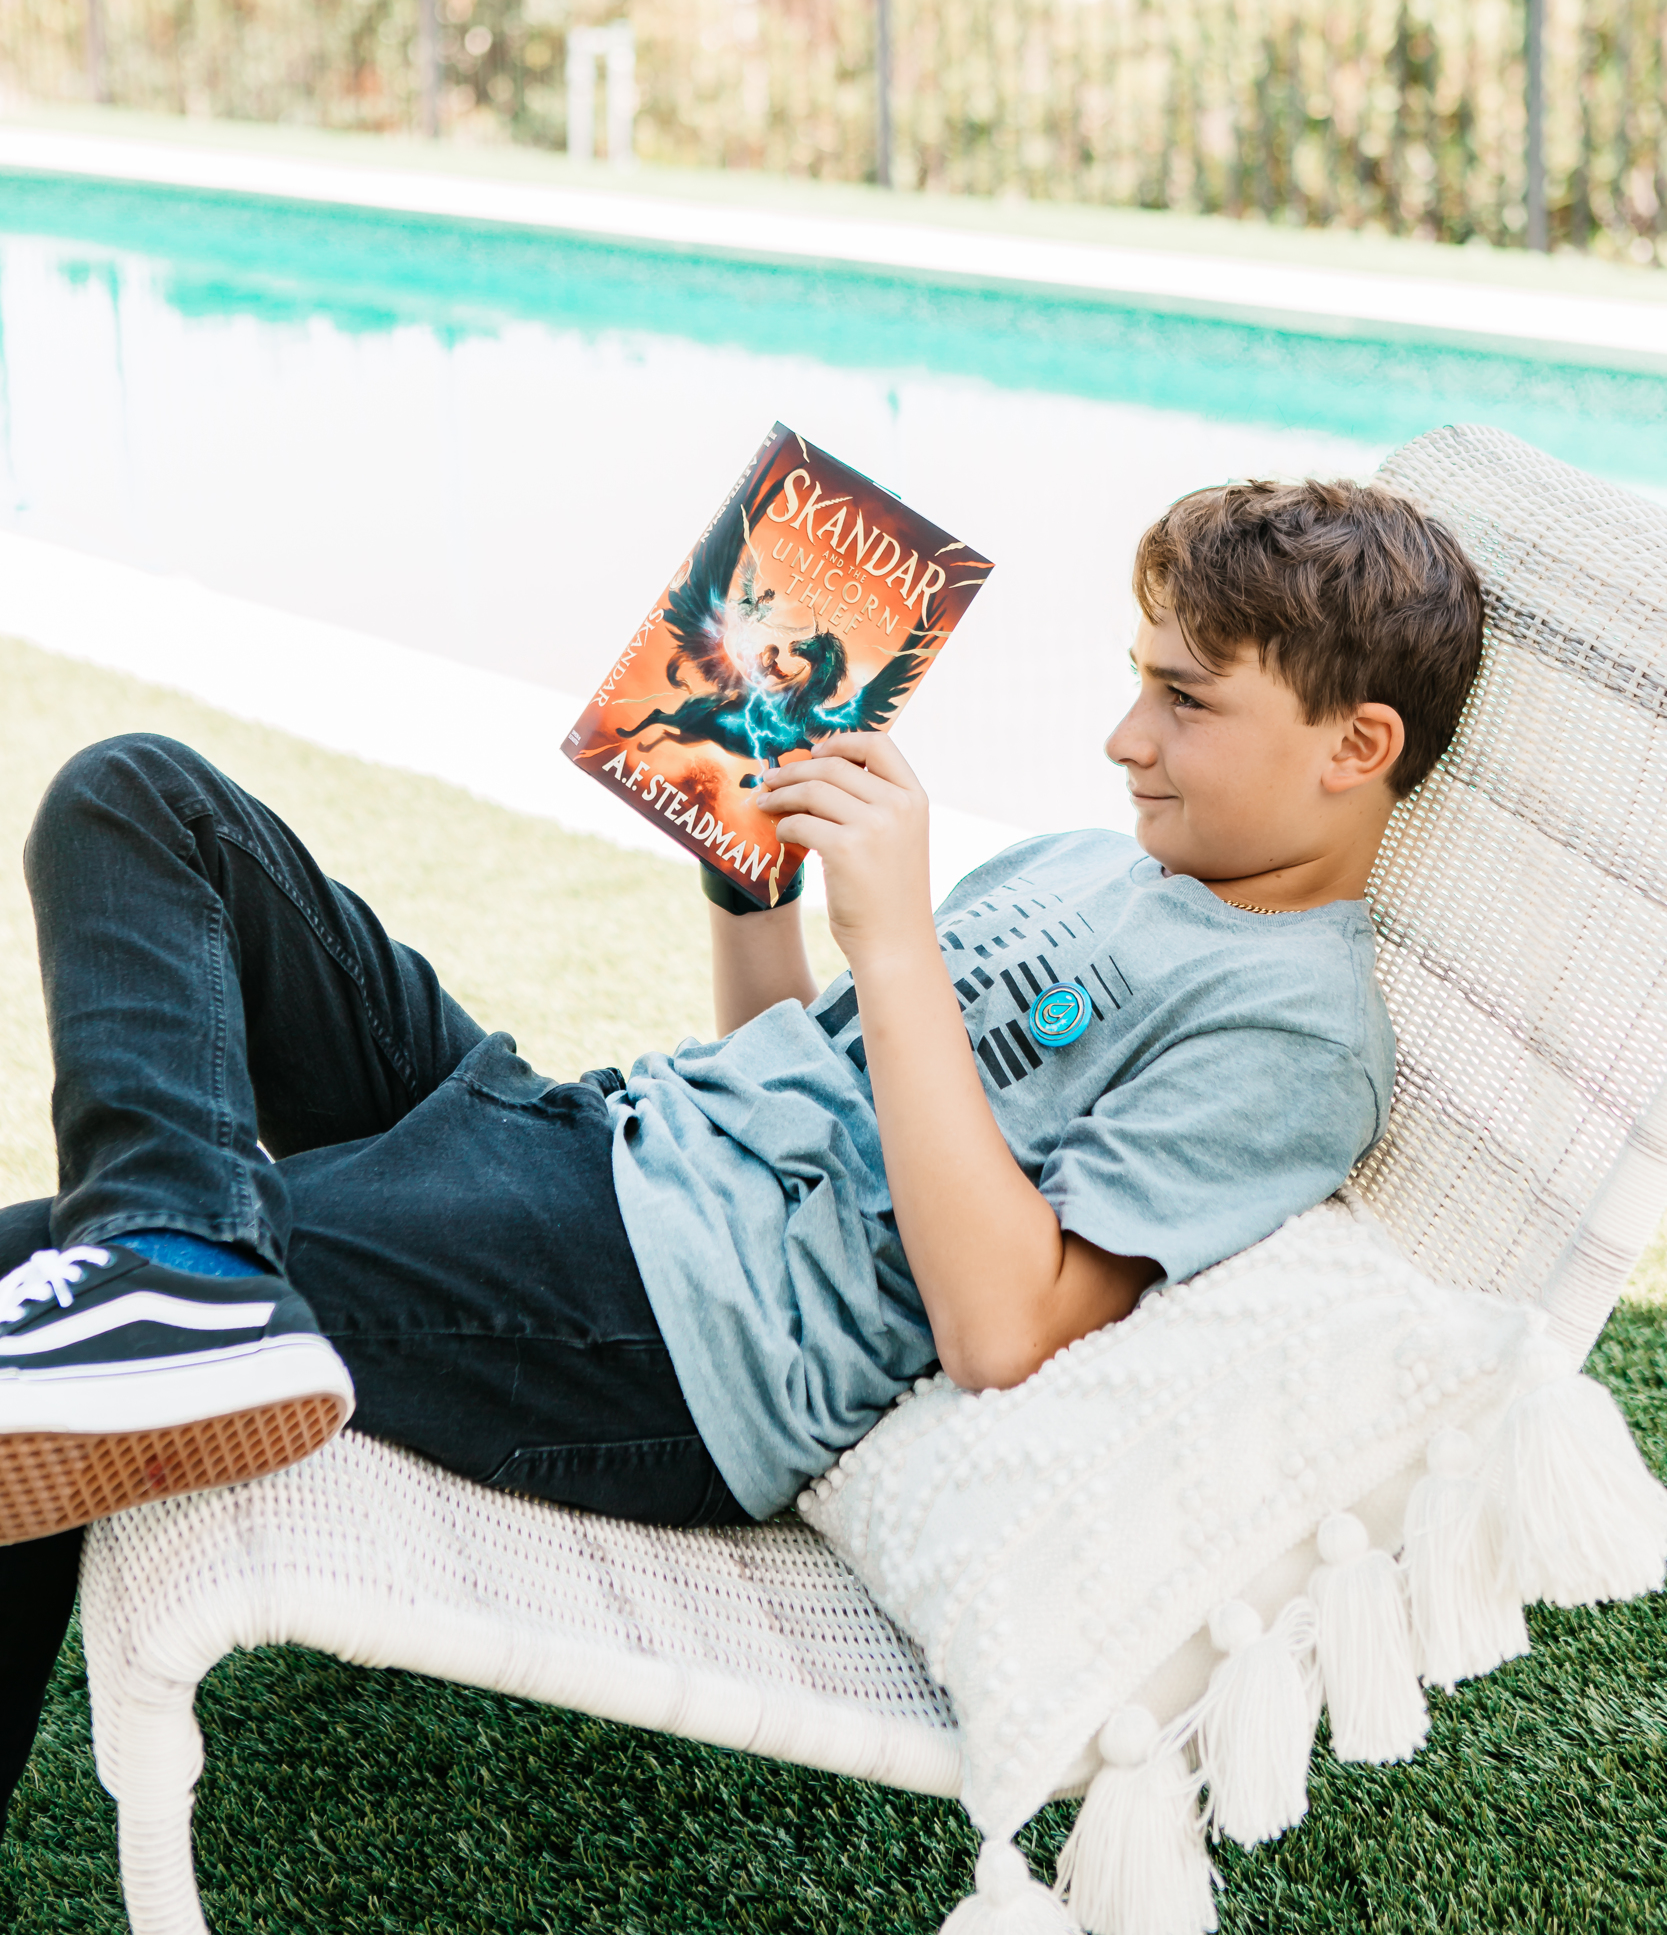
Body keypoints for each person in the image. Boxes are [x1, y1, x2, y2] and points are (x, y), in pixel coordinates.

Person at [0, 475, 1484, 1831]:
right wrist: (750, 890)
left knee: (32, 1285)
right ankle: (177, 1267)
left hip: (670, 1330)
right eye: (1135, 682)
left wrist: (898, 934)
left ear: (1356, 748)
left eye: (1184, 699)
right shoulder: (1100, 864)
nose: (1124, 737)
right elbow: (807, 1066)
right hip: (593, 1142)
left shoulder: (1296, 1033)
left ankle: (167, 1276)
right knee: (139, 795)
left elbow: (1003, 1325)